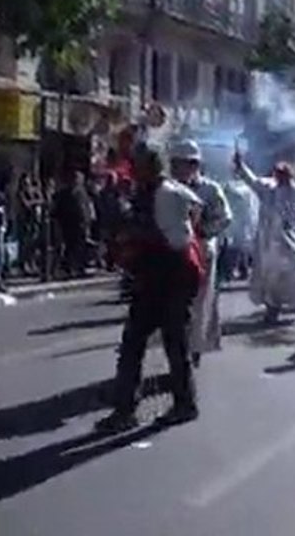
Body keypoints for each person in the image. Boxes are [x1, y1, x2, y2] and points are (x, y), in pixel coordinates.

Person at [96, 147, 204, 433]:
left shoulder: (163, 193)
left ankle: (166, 406)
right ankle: (133, 408)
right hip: (160, 273)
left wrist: (130, 233)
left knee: (164, 342)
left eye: (138, 165)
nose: (133, 170)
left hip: (169, 273)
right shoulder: (160, 191)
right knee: (142, 343)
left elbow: (163, 229)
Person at [169, 139, 232, 367]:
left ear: (195, 165)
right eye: (176, 164)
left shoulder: (210, 189)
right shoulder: (167, 188)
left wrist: (203, 231)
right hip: (173, 251)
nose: (181, 169)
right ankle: (176, 349)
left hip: (202, 251)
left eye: (186, 164)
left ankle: (194, 348)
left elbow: (225, 217)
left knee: (200, 303)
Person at [233, 151, 295, 324]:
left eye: (284, 175)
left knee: (294, 273)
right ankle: (272, 309)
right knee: (270, 276)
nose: (281, 178)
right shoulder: (268, 188)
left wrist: (290, 222)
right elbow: (252, 181)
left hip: (288, 241)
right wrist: (241, 165)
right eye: (278, 174)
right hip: (268, 241)